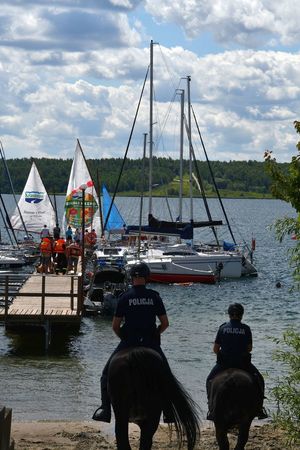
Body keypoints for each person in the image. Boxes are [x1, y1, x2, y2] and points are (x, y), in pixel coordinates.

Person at [92, 262, 171, 423]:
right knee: (167, 375)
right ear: (147, 277)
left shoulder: (125, 297)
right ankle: (168, 411)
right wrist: (156, 334)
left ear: (131, 278)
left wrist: (124, 339)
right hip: (150, 342)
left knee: (106, 374)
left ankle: (105, 410)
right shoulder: (154, 296)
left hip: (129, 341)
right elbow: (165, 323)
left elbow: (115, 326)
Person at [206, 303, 268, 420]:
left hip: (224, 364)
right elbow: (249, 349)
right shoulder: (246, 329)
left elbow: (215, 349)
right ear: (242, 315)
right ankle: (260, 409)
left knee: (209, 380)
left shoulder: (223, 328)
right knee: (259, 379)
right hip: (243, 364)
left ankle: (211, 408)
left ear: (229, 315)